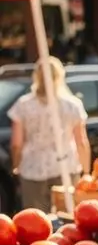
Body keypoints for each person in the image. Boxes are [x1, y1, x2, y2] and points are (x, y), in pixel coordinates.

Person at [9, 56, 91, 210]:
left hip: (32, 168)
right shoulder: (72, 105)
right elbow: (81, 141)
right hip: (66, 166)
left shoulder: (23, 105)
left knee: (35, 220)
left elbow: (16, 144)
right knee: (67, 217)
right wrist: (86, 172)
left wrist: (16, 165)